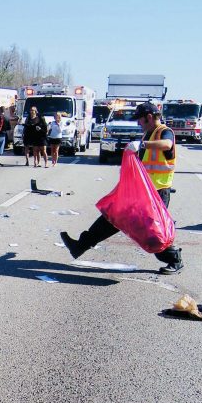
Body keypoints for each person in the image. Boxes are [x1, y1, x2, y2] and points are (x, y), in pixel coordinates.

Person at [60, 102, 184, 275]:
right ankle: (80, 246)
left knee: (153, 233)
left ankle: (174, 259)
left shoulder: (164, 131)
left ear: (149, 117)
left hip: (156, 193)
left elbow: (167, 145)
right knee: (112, 217)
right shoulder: (148, 133)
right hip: (141, 191)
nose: (138, 124)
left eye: (140, 120)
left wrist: (143, 145)